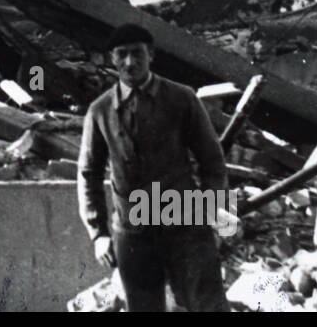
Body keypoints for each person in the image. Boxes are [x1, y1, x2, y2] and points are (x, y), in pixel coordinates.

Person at [76, 23, 231, 312]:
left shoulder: (182, 98)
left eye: (137, 53)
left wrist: (214, 216)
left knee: (208, 306)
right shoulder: (100, 111)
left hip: (187, 228)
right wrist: (99, 234)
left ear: (151, 55)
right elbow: (89, 175)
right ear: (112, 58)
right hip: (133, 234)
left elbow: (213, 162)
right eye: (122, 54)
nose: (130, 62)